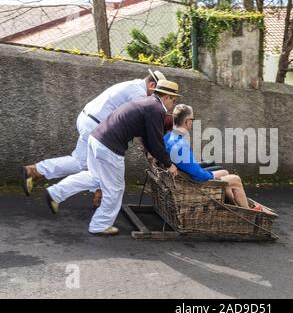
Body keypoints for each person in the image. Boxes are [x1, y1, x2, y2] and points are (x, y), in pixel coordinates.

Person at [44, 80, 180, 236]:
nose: (173, 105)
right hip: (110, 146)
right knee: (115, 188)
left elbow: (147, 136)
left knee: (95, 178)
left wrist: (152, 153)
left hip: (96, 138)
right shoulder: (156, 109)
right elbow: (156, 140)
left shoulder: (146, 102)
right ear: (166, 97)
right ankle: (100, 225)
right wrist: (169, 163)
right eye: (174, 100)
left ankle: (55, 193)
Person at [21, 68, 167, 207]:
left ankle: (39, 172)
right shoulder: (139, 94)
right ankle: (52, 184)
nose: (155, 99)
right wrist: (150, 150)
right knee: (95, 165)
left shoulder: (132, 85)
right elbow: (141, 126)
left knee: (87, 163)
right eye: (156, 94)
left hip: (88, 119)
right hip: (96, 125)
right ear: (152, 85)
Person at [164, 104, 260, 210]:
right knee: (236, 179)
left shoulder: (167, 137)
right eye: (192, 119)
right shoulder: (180, 145)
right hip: (195, 183)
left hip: (186, 175)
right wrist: (212, 175)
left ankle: (235, 205)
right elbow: (198, 175)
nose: (192, 122)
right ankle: (248, 213)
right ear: (187, 121)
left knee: (225, 173)